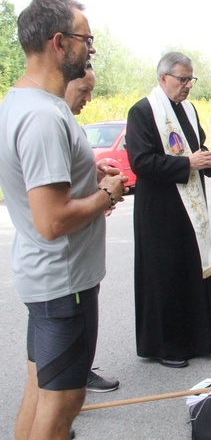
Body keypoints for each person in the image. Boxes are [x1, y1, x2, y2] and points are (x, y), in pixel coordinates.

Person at [0, 0, 126, 439]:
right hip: (64, 287)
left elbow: (40, 181)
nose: (90, 48)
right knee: (62, 407)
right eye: (86, 39)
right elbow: (52, 221)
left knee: (38, 393)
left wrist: (86, 172)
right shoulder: (43, 117)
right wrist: (107, 194)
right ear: (59, 42)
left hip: (47, 282)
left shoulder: (21, 102)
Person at [126, 52, 211, 368]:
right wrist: (188, 163)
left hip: (189, 207)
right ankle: (166, 346)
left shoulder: (189, 111)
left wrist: (206, 158)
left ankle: (198, 339)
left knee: (191, 268)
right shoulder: (142, 112)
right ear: (163, 78)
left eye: (191, 79)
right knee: (165, 275)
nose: (188, 86)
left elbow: (196, 148)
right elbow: (140, 162)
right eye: (183, 79)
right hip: (160, 211)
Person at [64, 61, 121, 394]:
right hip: (68, 262)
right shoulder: (50, 122)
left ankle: (79, 371)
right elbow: (53, 209)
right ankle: (72, 386)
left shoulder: (70, 123)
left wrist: (94, 170)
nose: (88, 98)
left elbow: (68, 176)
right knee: (69, 334)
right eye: (84, 90)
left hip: (83, 255)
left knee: (82, 323)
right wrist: (105, 196)